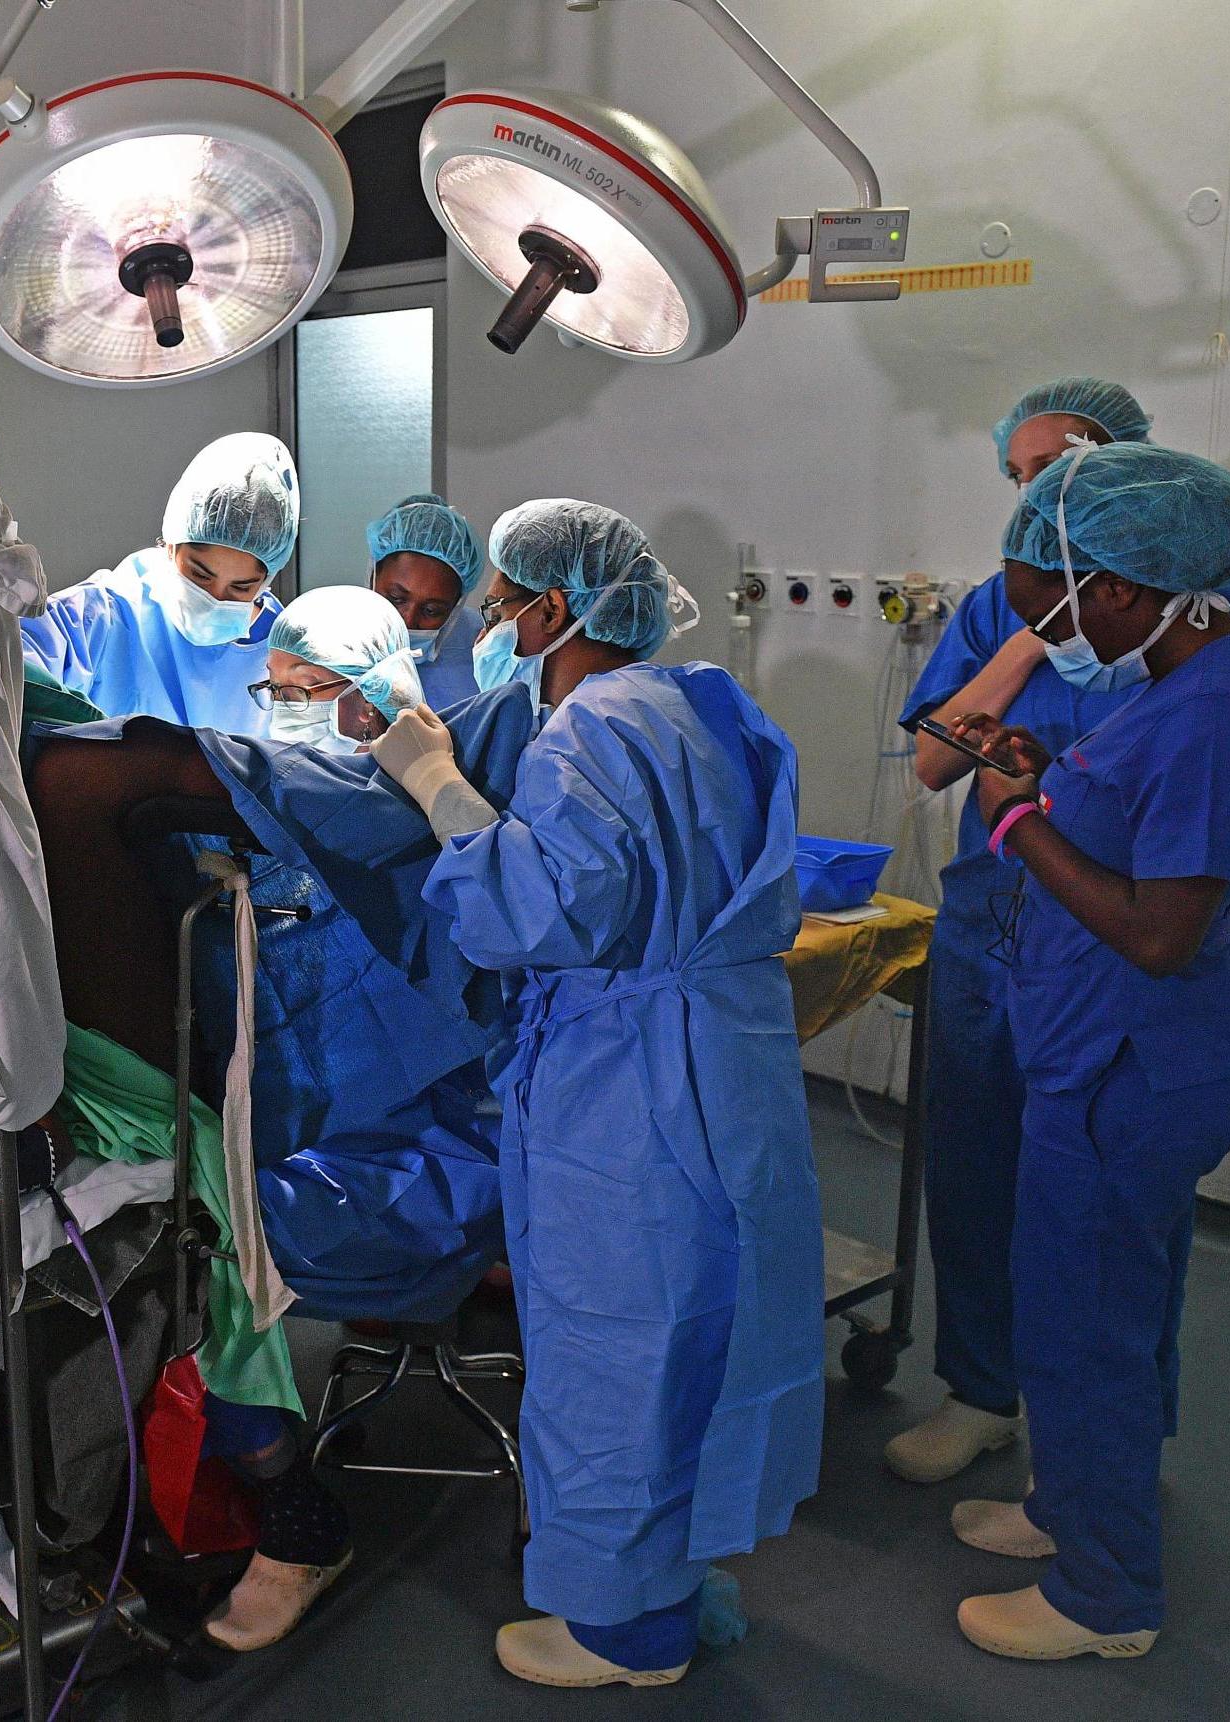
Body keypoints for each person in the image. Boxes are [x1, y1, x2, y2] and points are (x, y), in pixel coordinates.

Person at [372, 500, 822, 1689]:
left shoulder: (586, 733)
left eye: (494, 603)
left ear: (553, 608)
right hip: (724, 1059)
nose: (483, 624)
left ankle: (626, 1631)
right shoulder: (700, 706)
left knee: (613, 1344)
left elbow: (535, 912)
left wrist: (431, 785)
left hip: (630, 1086)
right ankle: (673, 1573)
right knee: (700, 1329)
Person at [887, 379, 1230, 1486]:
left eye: (1065, 469)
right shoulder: (1014, 602)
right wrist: (1034, 641)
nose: (1039, 494)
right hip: (1000, 923)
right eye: (1022, 479)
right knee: (983, 1168)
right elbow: (935, 759)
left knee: (1118, 1209)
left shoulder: (1220, 629)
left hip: (1128, 934)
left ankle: (1101, 1443)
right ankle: (985, 1390)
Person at [19, 432, 296, 730]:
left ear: (268, 580)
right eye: (200, 575)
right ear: (170, 545)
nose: (215, 598)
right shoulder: (98, 618)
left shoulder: (289, 661)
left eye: (241, 587)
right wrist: (119, 750)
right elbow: (7, 669)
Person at [256, 585, 423, 752]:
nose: (280, 707)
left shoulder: (417, 775)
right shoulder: (281, 773)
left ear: (369, 700)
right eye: (274, 687)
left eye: (301, 688)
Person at [366, 492, 487, 706]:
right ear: (373, 576)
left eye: (431, 610)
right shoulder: (329, 640)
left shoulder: (484, 650)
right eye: (396, 598)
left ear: (456, 606)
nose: (408, 620)